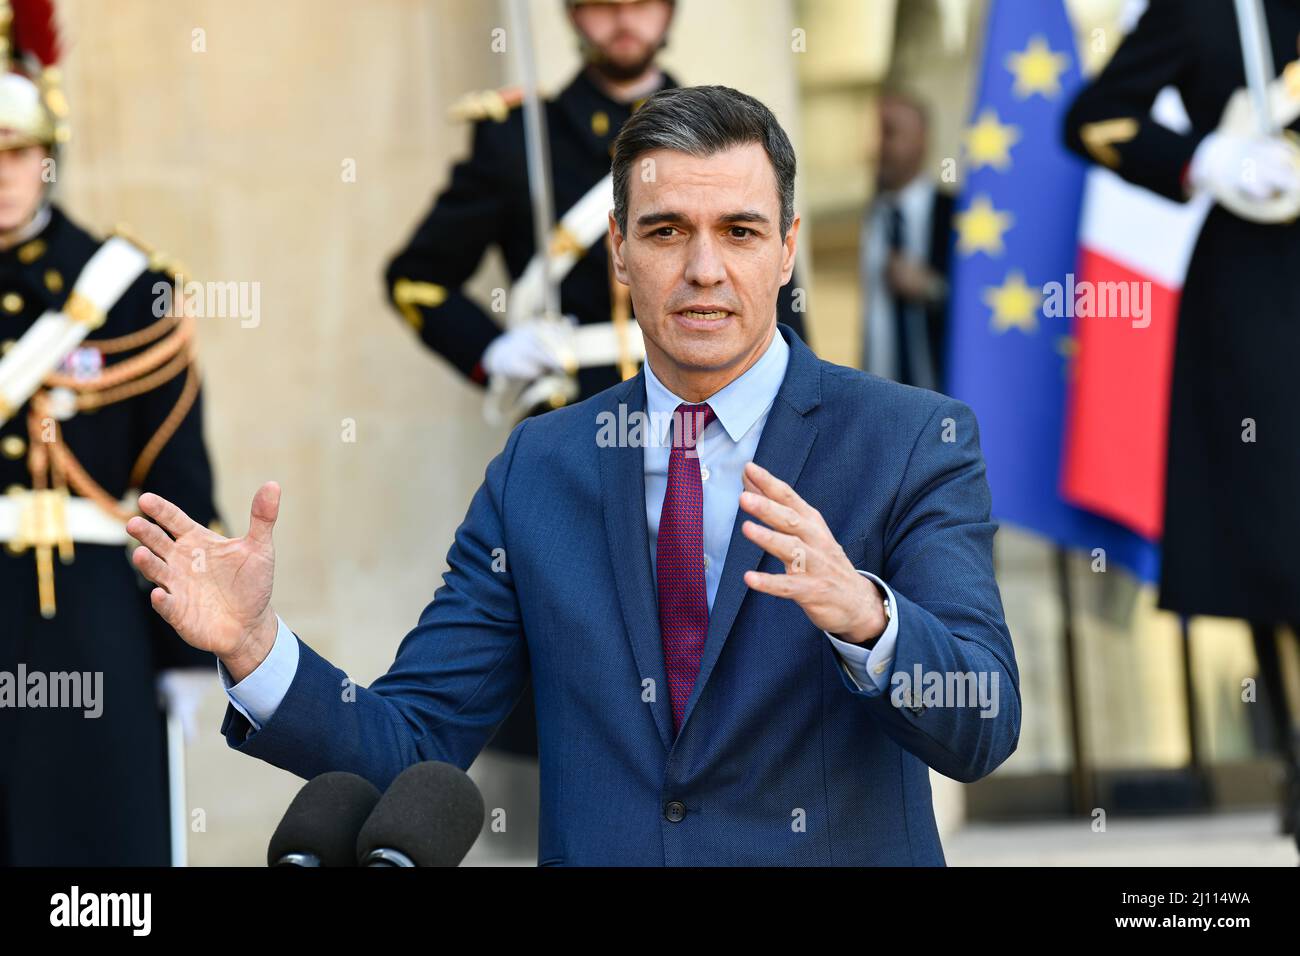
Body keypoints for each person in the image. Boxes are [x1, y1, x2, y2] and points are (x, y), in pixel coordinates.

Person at [131, 85, 1019, 866]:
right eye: (667, 231)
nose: (703, 268)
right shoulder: (539, 469)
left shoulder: (910, 441)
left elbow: (984, 721)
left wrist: (868, 618)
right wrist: (254, 647)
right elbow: (413, 742)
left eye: (739, 232)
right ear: (619, 252)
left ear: (786, 250)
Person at [386, 0, 808, 763]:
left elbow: (783, 304)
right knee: (593, 664)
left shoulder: (733, 141)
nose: (623, 21)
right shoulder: (520, 137)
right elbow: (416, 277)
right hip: (582, 411)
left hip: (724, 417)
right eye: (602, 5)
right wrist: (493, 349)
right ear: (575, 18)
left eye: (639, 3)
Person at [1064, 0, 1300, 842]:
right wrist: (1205, 158)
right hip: (1264, 295)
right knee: (1280, 537)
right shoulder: (1205, 7)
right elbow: (1096, 119)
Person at [0, 0, 220, 865]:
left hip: (87, 611)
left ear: (48, 157)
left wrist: (183, 639)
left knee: (93, 840)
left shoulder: (128, 288)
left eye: (17, 153)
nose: (3, 174)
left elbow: (173, 475)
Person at [861, 89, 953, 391]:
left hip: (944, 403)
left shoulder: (957, 215)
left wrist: (931, 288)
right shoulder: (861, 221)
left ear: (922, 139)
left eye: (889, 132)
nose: (878, 146)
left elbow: (982, 308)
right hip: (874, 409)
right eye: (873, 134)